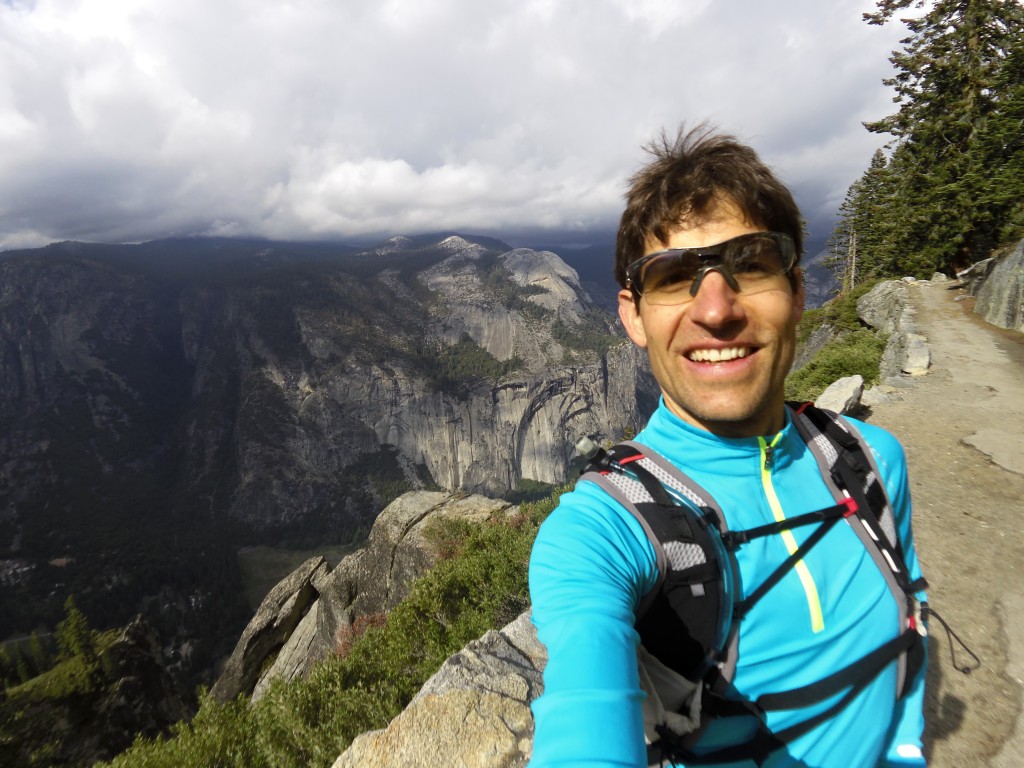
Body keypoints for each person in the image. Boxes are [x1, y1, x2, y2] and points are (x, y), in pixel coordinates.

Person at [527, 125, 928, 767]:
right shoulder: (603, 530)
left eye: (751, 263)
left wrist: (907, 750)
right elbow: (584, 710)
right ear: (632, 316)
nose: (716, 310)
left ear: (798, 293)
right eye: (672, 275)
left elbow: (912, 616)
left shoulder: (873, 460)